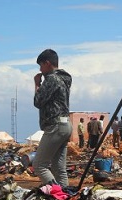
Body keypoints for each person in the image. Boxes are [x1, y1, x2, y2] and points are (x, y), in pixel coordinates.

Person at [33, 49, 72, 187]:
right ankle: (66, 199)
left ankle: (58, 194)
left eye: (41, 65)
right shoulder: (64, 78)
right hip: (65, 125)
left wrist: (37, 84)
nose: (40, 69)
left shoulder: (52, 79)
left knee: (39, 165)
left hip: (55, 126)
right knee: (58, 168)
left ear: (47, 63)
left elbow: (38, 101)